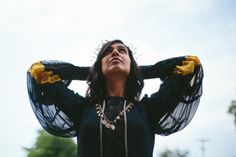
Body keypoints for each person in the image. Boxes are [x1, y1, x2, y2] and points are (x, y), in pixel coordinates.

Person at [27, 39, 203, 157]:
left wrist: (137, 72)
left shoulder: (149, 110)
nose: (115, 53)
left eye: (122, 51)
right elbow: (39, 71)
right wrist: (94, 72)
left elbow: (191, 64)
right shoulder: (81, 109)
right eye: (108, 52)